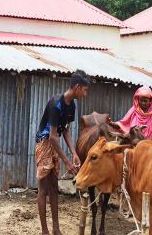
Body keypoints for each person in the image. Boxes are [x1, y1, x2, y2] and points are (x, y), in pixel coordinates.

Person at [35, 69, 90, 235]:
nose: (85, 94)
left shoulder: (71, 105)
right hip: (44, 143)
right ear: (77, 87)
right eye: (85, 90)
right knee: (44, 188)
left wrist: (73, 153)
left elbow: (65, 130)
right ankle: (45, 231)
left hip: (55, 143)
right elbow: (52, 137)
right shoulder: (56, 103)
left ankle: (56, 229)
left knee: (54, 188)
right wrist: (66, 161)